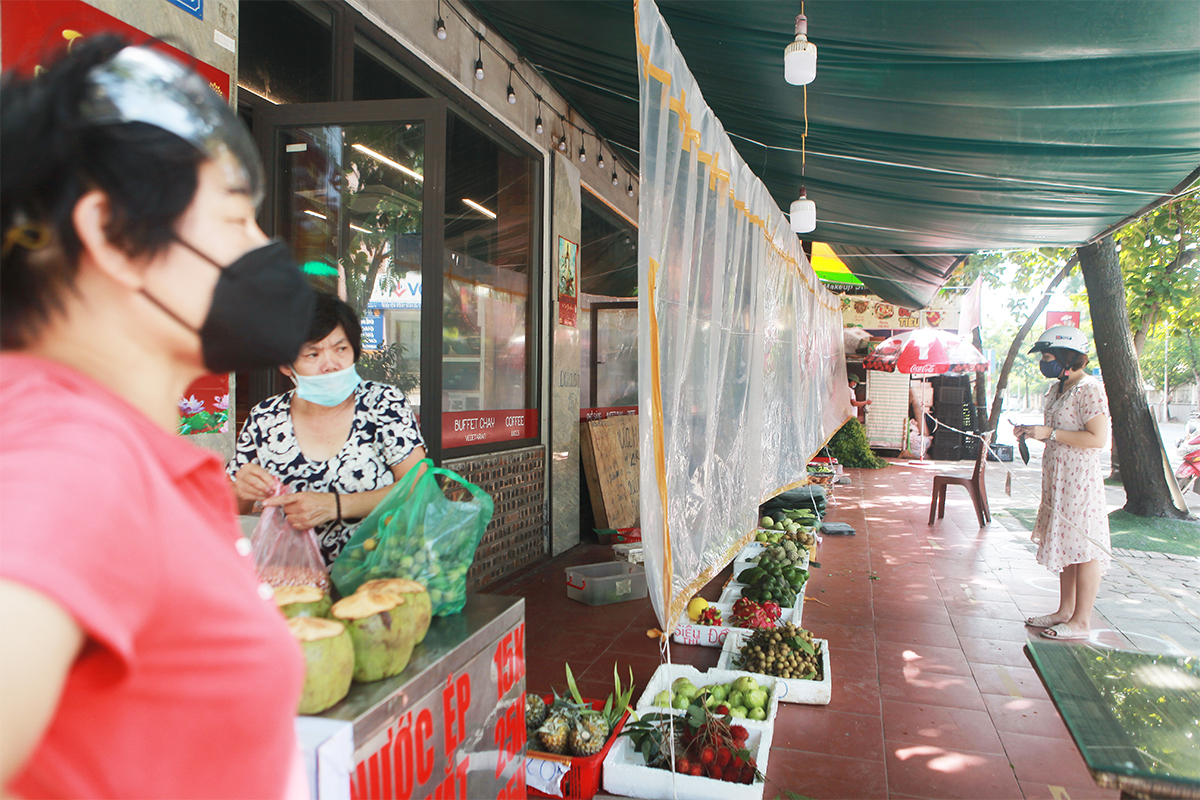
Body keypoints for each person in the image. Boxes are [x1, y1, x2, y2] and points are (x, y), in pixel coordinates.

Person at [0, 39, 317, 798]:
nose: (265, 251)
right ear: (111, 234)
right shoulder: (71, 456)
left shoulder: (108, 448)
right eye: (237, 219)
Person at [229, 292, 427, 565]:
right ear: (287, 365)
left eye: (340, 349)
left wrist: (333, 505)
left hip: (377, 578)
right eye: (312, 353)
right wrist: (240, 492)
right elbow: (234, 514)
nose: (331, 364)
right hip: (290, 583)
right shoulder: (264, 418)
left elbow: (419, 486)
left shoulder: (382, 404)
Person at [1014, 326, 1112, 641]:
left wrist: (1051, 434)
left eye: (1048, 356)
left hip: (1080, 482)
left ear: (1068, 356)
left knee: (1085, 548)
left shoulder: (1089, 389)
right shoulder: (1059, 388)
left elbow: (1098, 438)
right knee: (1068, 545)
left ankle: (1081, 621)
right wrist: (1033, 431)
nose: (1045, 362)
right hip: (1058, 479)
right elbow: (1057, 430)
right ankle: (1064, 611)